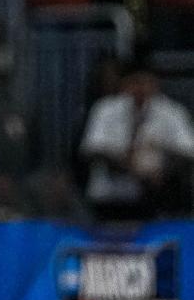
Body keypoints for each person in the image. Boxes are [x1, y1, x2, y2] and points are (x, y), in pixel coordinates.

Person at [81, 63, 194, 221]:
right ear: (124, 84)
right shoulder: (105, 109)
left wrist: (164, 165)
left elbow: (188, 154)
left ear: (155, 84)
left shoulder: (172, 113)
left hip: (156, 198)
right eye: (134, 82)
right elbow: (93, 150)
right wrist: (129, 167)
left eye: (145, 82)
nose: (140, 88)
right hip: (111, 197)